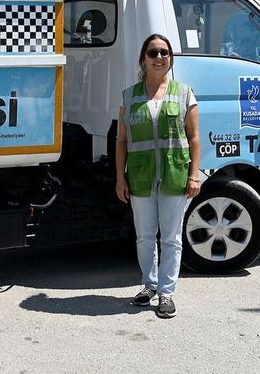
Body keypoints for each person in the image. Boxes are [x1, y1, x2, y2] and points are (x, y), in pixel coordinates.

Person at [115, 33, 201, 319]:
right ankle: (149, 285)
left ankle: (166, 293)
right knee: (144, 237)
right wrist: (120, 177)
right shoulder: (129, 95)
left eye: (164, 53)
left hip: (174, 175)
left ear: (171, 58)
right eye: (153, 53)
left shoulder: (184, 92)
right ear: (143, 59)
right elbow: (121, 141)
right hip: (140, 177)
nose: (159, 57)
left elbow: (195, 138)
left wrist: (194, 176)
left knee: (172, 238)